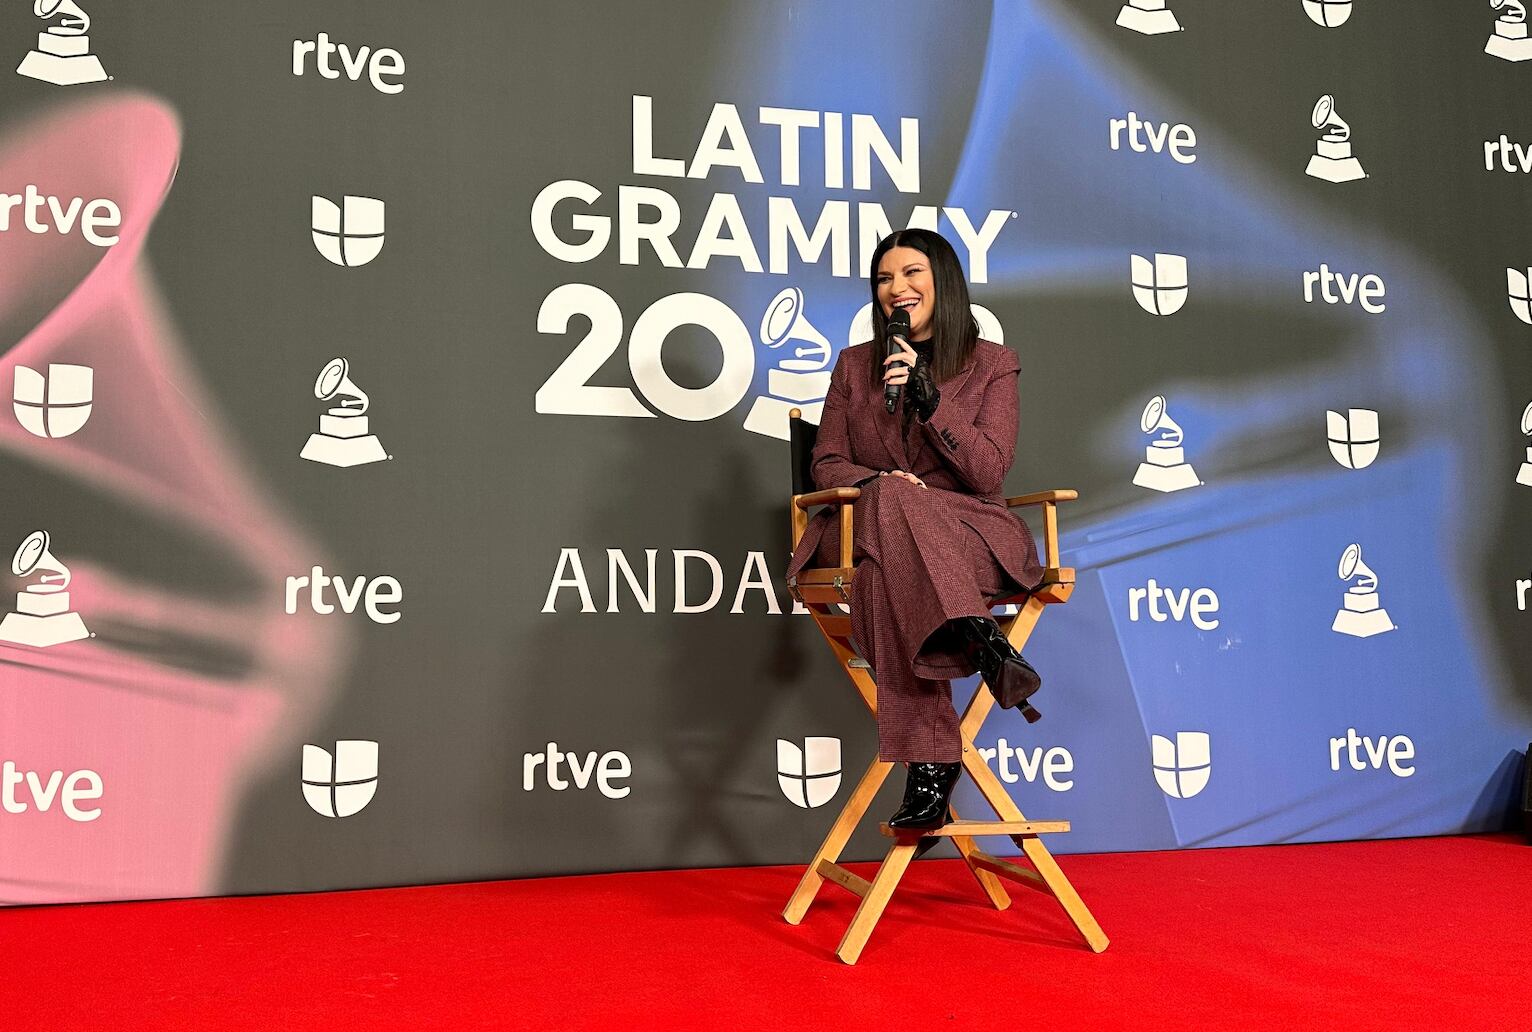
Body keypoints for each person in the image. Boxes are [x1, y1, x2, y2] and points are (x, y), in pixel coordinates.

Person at [786, 228, 1044, 831]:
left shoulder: (992, 364)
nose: (895, 288)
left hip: (967, 533)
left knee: (884, 574)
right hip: (867, 523)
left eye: (910, 274)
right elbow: (827, 463)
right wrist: (887, 484)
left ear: (942, 283)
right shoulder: (856, 366)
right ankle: (980, 640)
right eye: (884, 278)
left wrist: (933, 406)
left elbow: (988, 472)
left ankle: (930, 763)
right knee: (890, 517)